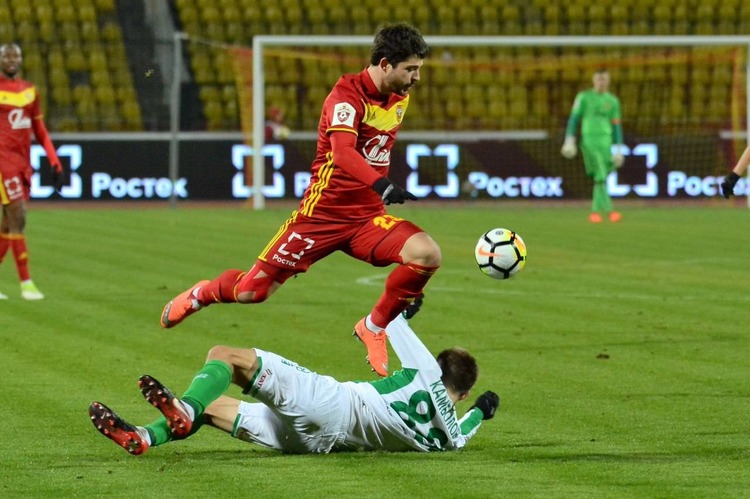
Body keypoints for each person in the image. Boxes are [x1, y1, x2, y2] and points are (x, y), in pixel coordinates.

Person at [160, 23, 439, 377]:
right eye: (411, 69)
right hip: (320, 217)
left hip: (366, 217)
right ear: (385, 64)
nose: (416, 78)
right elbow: (342, 153)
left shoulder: (399, 96)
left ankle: (373, 326)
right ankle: (201, 294)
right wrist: (381, 184)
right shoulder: (346, 97)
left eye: (418, 69)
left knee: (426, 253)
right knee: (251, 292)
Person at [89, 315, 500, 455]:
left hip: (332, 404)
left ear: (436, 366)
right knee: (212, 408)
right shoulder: (449, 438)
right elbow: (465, 430)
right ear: (462, 394)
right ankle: (144, 436)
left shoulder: (423, 371)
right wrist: (482, 409)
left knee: (224, 355)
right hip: (315, 444)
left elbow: (387, 316)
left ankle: (184, 410)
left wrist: (408, 307)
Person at [0, 43, 64, 300]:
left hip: (22, 163)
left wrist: (54, 159)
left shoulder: (30, 91)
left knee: (7, 223)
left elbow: (40, 130)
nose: (11, 60)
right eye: (6, 56)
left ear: (21, 60)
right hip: (2, 162)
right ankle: (26, 283)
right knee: (19, 216)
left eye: (15, 56)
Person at [561, 68, 625, 223]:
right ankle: (607, 211)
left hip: (606, 142)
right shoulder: (583, 97)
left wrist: (618, 148)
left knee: (601, 176)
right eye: (599, 79)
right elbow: (574, 119)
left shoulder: (613, 101)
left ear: (608, 81)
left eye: (604, 79)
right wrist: (569, 140)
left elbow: (616, 126)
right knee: (600, 173)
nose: (601, 83)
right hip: (589, 141)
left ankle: (598, 212)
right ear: (594, 80)